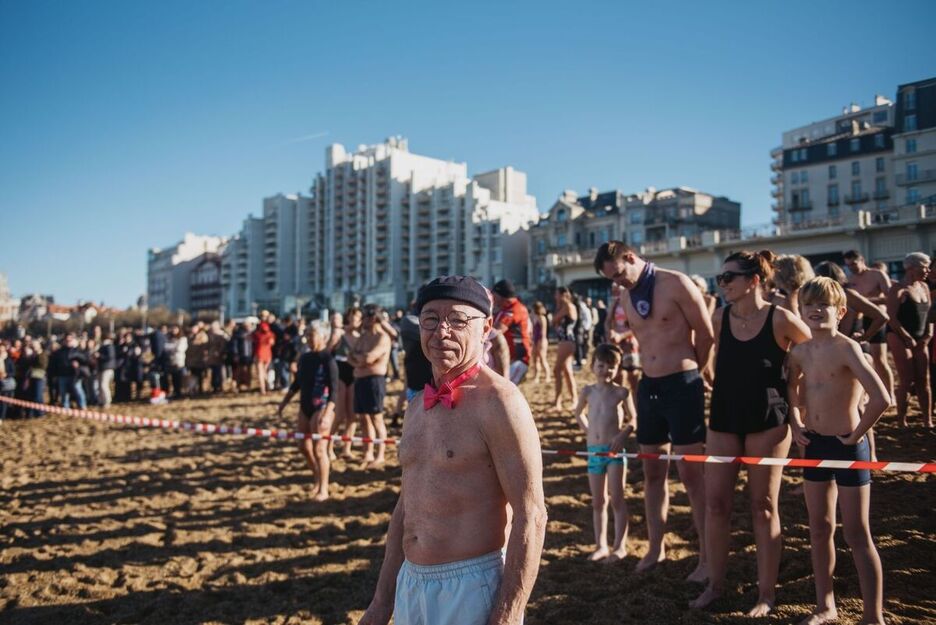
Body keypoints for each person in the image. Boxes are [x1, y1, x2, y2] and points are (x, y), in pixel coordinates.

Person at [360, 275, 547, 625]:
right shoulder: (417, 406)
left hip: (472, 585)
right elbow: (406, 507)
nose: (441, 331)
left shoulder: (500, 402)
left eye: (458, 320)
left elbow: (532, 514)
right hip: (411, 585)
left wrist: (507, 615)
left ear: (486, 328)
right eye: (430, 319)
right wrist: (381, 601)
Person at [690, 250, 811, 615]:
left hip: (769, 418)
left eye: (729, 278)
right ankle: (715, 585)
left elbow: (815, 353)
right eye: (720, 279)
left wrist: (797, 393)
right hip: (725, 415)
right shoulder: (719, 317)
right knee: (716, 504)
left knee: (764, 506)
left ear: (753, 280)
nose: (722, 284)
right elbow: (704, 365)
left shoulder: (781, 319)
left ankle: (766, 594)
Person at [595, 241, 712, 579]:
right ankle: (656, 547)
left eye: (619, 274)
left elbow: (705, 334)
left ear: (631, 258)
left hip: (682, 383)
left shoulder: (675, 282)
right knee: (653, 474)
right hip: (649, 386)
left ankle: (705, 555)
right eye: (612, 280)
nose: (619, 282)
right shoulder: (626, 294)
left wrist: (696, 374)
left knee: (691, 475)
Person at [787, 277, 890, 625]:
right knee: (818, 528)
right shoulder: (799, 352)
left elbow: (881, 399)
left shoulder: (848, 348)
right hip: (815, 444)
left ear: (841, 310)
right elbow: (791, 389)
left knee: (857, 533)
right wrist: (795, 422)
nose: (816, 310)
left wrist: (856, 434)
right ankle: (824, 606)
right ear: (800, 310)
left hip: (848, 445)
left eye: (824, 305)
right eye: (809, 305)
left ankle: (873, 616)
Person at [573, 344, 635, 563]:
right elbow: (578, 412)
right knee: (598, 501)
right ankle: (601, 545)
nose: (606, 370)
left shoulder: (621, 392)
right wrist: (587, 430)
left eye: (611, 367)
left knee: (617, 498)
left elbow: (633, 419)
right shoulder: (588, 391)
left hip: (614, 452)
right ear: (593, 366)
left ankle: (620, 546)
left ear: (617, 368)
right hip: (594, 451)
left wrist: (622, 435)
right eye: (601, 365)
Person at [277, 321, 339, 501]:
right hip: (305, 405)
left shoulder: (328, 359)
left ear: (322, 337)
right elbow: (297, 384)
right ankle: (317, 477)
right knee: (303, 446)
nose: (309, 338)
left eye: (312, 334)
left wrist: (328, 413)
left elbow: (335, 389)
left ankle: (324, 488)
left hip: (322, 405)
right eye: (308, 334)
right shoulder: (305, 358)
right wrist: (283, 403)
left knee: (320, 449)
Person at [885, 252, 933, 427]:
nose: (928, 270)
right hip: (898, 334)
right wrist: (906, 336)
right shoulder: (898, 288)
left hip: (921, 336)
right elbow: (891, 316)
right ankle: (901, 420)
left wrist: (929, 334)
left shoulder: (924, 287)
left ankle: (927, 419)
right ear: (912, 268)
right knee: (906, 379)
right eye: (925, 266)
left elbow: (929, 314)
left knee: (923, 379)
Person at [843, 250, 895, 402]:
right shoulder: (850, 279)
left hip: (877, 318)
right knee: (863, 359)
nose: (851, 268)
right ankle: (866, 394)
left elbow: (890, 297)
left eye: (854, 264)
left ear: (862, 260)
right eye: (848, 265)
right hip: (858, 321)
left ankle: (890, 394)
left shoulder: (877, 274)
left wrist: (864, 302)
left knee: (880, 359)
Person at [349, 304, 392, 469]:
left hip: (374, 380)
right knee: (363, 418)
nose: (362, 321)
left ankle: (380, 455)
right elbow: (351, 356)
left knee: (376, 418)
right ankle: (368, 452)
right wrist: (361, 360)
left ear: (373, 318)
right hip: (361, 380)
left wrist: (360, 360)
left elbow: (367, 359)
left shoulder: (382, 337)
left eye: (365, 317)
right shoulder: (364, 336)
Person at [329, 308, 361, 460]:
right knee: (339, 413)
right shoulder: (340, 334)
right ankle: (328, 445)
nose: (355, 320)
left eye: (358, 318)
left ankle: (346, 448)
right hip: (340, 372)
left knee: (352, 415)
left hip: (355, 374)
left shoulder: (361, 337)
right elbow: (327, 351)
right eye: (352, 317)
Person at [491, 279, 532, 385]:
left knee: (505, 390)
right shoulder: (505, 308)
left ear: (501, 295)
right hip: (508, 358)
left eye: (493, 294)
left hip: (518, 360)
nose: (492, 298)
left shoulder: (514, 309)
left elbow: (495, 331)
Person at [606, 283, 641, 394]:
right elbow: (607, 321)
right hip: (617, 345)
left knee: (633, 380)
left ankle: (635, 409)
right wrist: (610, 331)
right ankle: (623, 408)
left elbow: (638, 327)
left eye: (617, 290)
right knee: (617, 379)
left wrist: (621, 336)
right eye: (613, 290)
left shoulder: (632, 303)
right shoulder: (615, 303)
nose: (614, 293)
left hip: (630, 345)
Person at [552, 287, 578, 411]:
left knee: (556, 370)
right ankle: (574, 399)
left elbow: (554, 319)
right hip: (566, 341)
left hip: (567, 341)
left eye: (556, 294)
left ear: (563, 295)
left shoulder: (567, 306)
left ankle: (558, 402)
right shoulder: (565, 306)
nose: (555, 297)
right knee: (567, 372)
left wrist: (559, 304)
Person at [252, 320, 276, 396]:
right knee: (265, 372)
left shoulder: (257, 335)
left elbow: (250, 339)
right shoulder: (271, 334)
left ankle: (263, 390)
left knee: (260, 373)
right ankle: (268, 388)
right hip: (268, 355)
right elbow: (272, 343)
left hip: (259, 354)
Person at [530, 301, 550, 384]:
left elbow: (543, 332)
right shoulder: (535, 317)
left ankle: (547, 376)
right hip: (536, 340)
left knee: (542, 359)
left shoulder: (542, 318)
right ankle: (536, 377)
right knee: (535, 360)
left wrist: (540, 342)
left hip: (541, 340)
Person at [96, 334, 117, 407]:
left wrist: (99, 356)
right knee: (100, 386)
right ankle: (101, 400)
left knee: (104, 385)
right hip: (102, 368)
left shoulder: (109, 346)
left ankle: (107, 401)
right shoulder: (102, 346)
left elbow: (110, 357)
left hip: (107, 368)